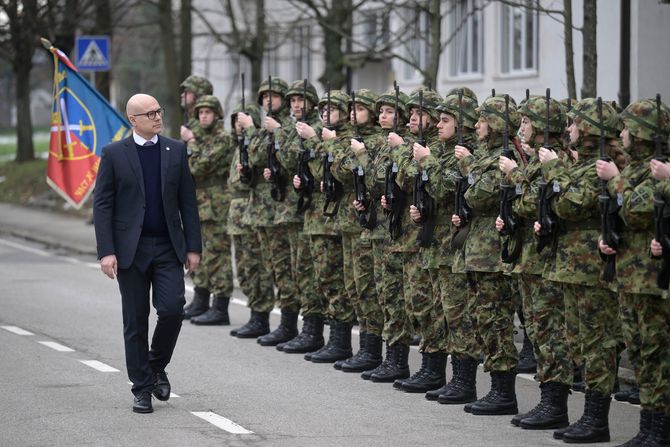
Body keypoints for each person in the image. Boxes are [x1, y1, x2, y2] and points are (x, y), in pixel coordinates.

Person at [93, 93, 201, 413]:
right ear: (133, 120)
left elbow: (187, 202)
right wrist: (106, 251)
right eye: (149, 113)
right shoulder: (114, 154)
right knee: (136, 319)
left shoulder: (176, 150)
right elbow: (103, 205)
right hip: (131, 250)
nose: (157, 117)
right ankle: (141, 387)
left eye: (159, 110)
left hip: (168, 246)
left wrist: (193, 246)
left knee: (172, 309)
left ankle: (155, 365)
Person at [184, 95, 236, 326]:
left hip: (216, 205)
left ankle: (221, 307)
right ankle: (201, 299)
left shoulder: (222, 139)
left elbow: (198, 165)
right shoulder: (201, 139)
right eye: (200, 112)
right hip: (198, 204)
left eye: (208, 112)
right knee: (199, 255)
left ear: (217, 115)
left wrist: (191, 142)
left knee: (218, 256)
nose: (203, 116)